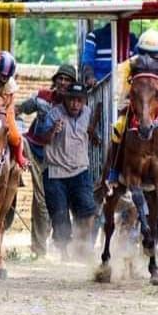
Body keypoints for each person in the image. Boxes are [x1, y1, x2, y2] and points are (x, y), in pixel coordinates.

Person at [105, 29, 158, 188]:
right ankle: (114, 169)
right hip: (135, 108)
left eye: (153, 54)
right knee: (118, 128)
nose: (148, 58)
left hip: (157, 110)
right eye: (144, 53)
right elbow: (119, 87)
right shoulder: (130, 65)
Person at [16, 64, 76, 258]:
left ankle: (41, 247)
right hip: (32, 149)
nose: (63, 82)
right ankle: (40, 251)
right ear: (55, 80)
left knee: (44, 202)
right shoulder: (42, 97)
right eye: (61, 78)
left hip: (54, 159)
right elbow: (21, 109)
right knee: (41, 201)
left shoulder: (74, 106)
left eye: (68, 80)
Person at [35, 82, 95, 259]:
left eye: (79, 100)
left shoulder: (88, 113)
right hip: (55, 172)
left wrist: (94, 134)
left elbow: (90, 128)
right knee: (59, 215)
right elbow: (41, 138)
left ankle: (84, 246)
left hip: (80, 170)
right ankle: (64, 253)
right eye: (72, 100)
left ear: (84, 101)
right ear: (65, 100)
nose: (75, 104)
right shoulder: (53, 114)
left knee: (88, 210)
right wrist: (53, 130)